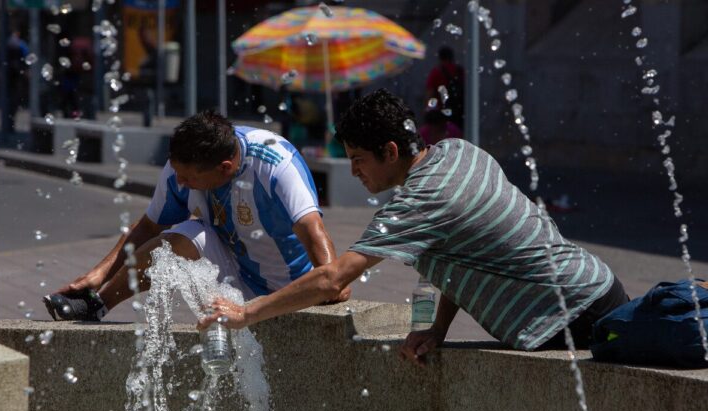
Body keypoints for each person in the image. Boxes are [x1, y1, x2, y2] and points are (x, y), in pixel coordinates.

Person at [198, 89, 629, 364]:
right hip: (593, 289)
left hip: (570, 317)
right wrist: (436, 328)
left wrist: (247, 312)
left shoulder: (419, 201)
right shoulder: (457, 151)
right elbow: (462, 250)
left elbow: (334, 278)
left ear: (390, 151)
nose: (354, 172)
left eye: (358, 159)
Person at [43, 111, 350, 321]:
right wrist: (98, 274)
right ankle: (98, 305)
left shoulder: (275, 163)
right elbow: (148, 226)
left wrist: (330, 279)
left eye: (188, 178)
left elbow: (313, 229)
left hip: (292, 287)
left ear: (225, 168)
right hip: (235, 274)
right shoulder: (183, 166)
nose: (180, 183)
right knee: (180, 238)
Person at [425, 46, 465, 132]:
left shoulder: (436, 72)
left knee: (444, 135)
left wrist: (428, 110)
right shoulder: (459, 71)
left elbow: (430, 93)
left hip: (442, 114)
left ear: (440, 58)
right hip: (460, 111)